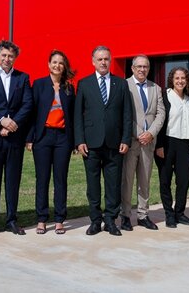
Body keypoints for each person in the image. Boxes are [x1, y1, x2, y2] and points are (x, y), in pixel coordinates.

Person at [74, 46, 132, 236]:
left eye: (106, 59)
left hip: (115, 143)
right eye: (99, 59)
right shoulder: (84, 84)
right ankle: (95, 221)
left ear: (110, 60)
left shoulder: (121, 84)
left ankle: (110, 221)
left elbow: (127, 114)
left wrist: (126, 139)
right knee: (93, 185)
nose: (103, 62)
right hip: (91, 144)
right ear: (93, 61)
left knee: (113, 185)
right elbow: (78, 115)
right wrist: (79, 140)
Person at [0, 40, 33, 237]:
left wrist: (12, 124)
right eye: (4, 55)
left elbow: (27, 104)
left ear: (15, 58)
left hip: (15, 138)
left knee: (12, 181)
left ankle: (11, 220)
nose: (7, 59)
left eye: (11, 56)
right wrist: (1, 121)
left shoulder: (22, 78)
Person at [26, 50, 76, 234]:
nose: (57, 65)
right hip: (43, 137)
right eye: (54, 62)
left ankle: (60, 219)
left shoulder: (69, 87)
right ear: (48, 64)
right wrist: (30, 138)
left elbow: (73, 116)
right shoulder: (39, 84)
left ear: (64, 67)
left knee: (60, 179)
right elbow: (32, 113)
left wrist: (74, 141)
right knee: (42, 178)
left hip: (63, 138)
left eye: (61, 63)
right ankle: (41, 219)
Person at [120, 55, 165, 231]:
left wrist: (151, 133)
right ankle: (125, 215)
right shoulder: (124, 85)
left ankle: (143, 215)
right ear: (132, 68)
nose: (142, 69)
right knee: (127, 180)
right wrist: (139, 133)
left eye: (145, 66)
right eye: (138, 66)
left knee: (144, 181)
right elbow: (123, 113)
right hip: (131, 142)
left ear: (149, 69)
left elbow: (161, 113)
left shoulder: (156, 88)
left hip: (149, 142)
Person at [154, 66, 189, 228]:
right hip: (167, 143)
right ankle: (169, 214)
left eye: (183, 78)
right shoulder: (164, 96)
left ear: (187, 80)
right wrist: (159, 145)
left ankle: (180, 213)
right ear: (171, 80)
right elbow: (159, 120)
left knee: (184, 180)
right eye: (177, 78)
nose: (180, 81)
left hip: (185, 144)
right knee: (165, 180)